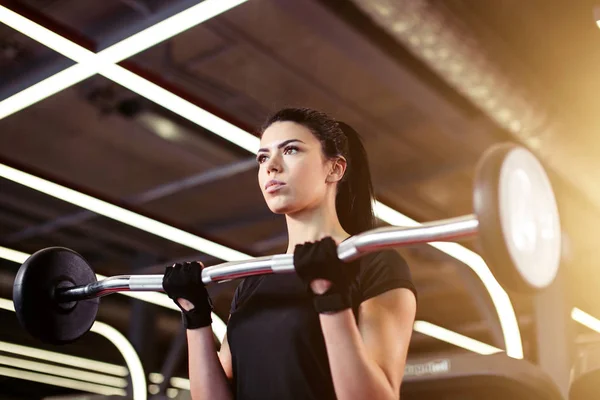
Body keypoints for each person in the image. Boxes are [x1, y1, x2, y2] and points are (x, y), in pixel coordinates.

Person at [163, 108, 418, 400]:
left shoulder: (375, 264)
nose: (271, 166)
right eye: (262, 157)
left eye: (291, 150)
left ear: (334, 169)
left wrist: (331, 298)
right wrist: (195, 318)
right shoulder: (254, 282)